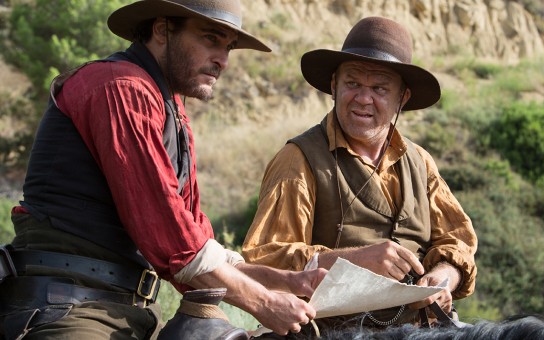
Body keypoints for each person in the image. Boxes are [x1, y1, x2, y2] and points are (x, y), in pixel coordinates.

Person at [0, 0, 325, 339]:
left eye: (228, 47)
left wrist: (286, 282)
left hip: (126, 312)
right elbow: (177, 246)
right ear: (161, 30)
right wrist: (264, 303)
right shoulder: (121, 88)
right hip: (67, 308)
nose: (223, 61)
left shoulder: (171, 110)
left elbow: (198, 244)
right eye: (211, 39)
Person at [242, 16, 478, 335]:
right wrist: (355, 260)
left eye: (380, 88)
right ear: (334, 86)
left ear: (402, 98)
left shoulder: (420, 162)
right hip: (327, 333)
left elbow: (458, 240)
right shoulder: (298, 159)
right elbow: (263, 261)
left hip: (421, 331)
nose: (364, 98)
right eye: (353, 83)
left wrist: (443, 277)